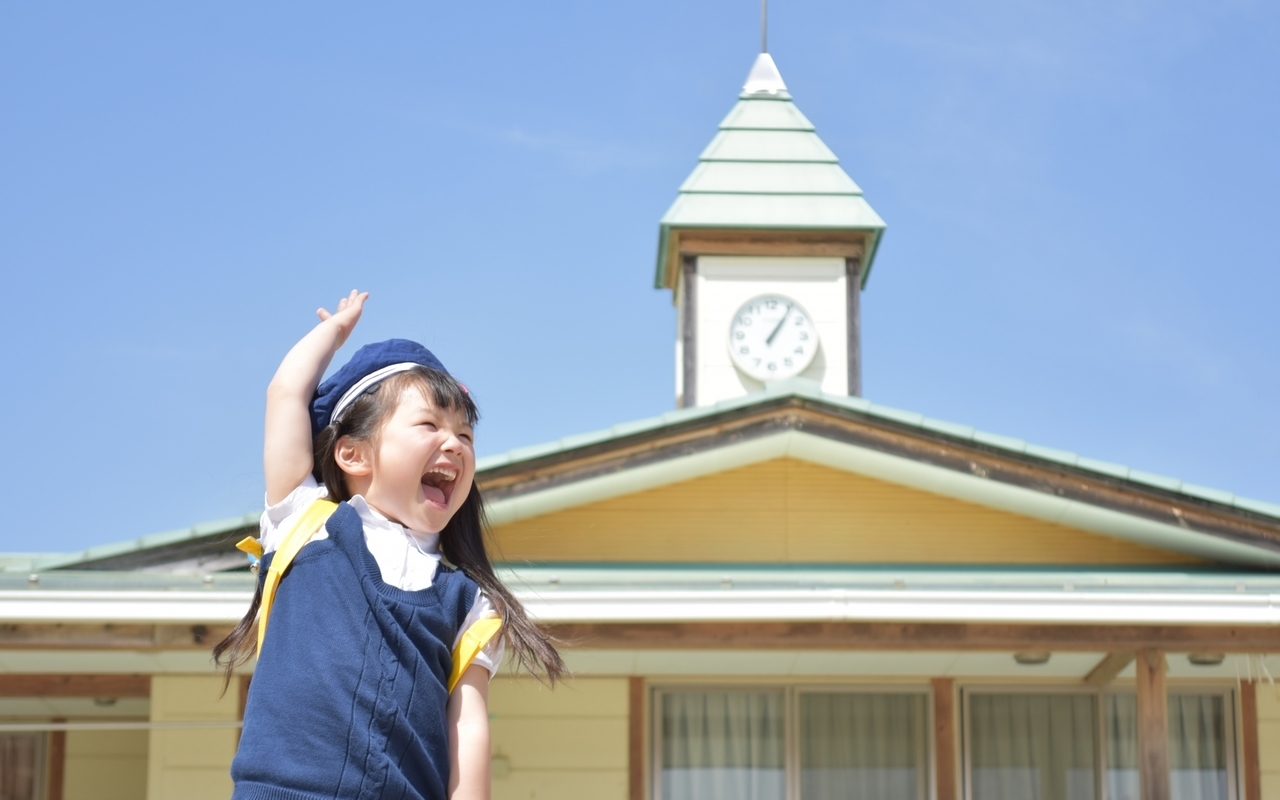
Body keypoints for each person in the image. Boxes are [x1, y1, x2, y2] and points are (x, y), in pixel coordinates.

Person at [215, 290, 564, 800]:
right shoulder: (306, 524)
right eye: (429, 424)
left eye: (465, 435)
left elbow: (467, 727)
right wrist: (332, 334)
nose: (455, 443)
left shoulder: (468, 602)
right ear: (352, 455)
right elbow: (285, 393)